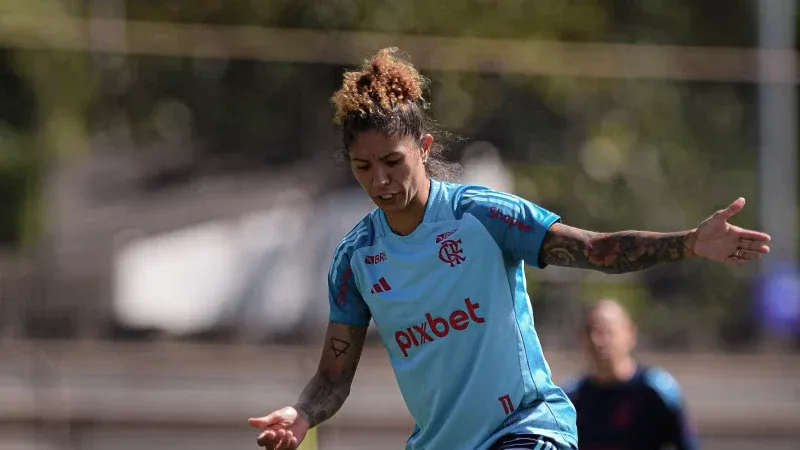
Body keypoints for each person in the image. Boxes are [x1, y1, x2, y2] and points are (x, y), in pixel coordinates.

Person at [247, 47, 771, 450]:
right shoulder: (356, 259)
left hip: (527, 428)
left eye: (392, 161)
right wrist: (303, 413)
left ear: (423, 149)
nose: (380, 180)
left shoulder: (483, 215)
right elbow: (332, 378)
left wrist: (689, 243)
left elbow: (597, 250)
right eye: (364, 167)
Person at [563, 299, 699, 450]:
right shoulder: (571, 396)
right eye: (590, 331)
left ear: (629, 333)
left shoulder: (655, 391)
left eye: (607, 331)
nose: (597, 340)